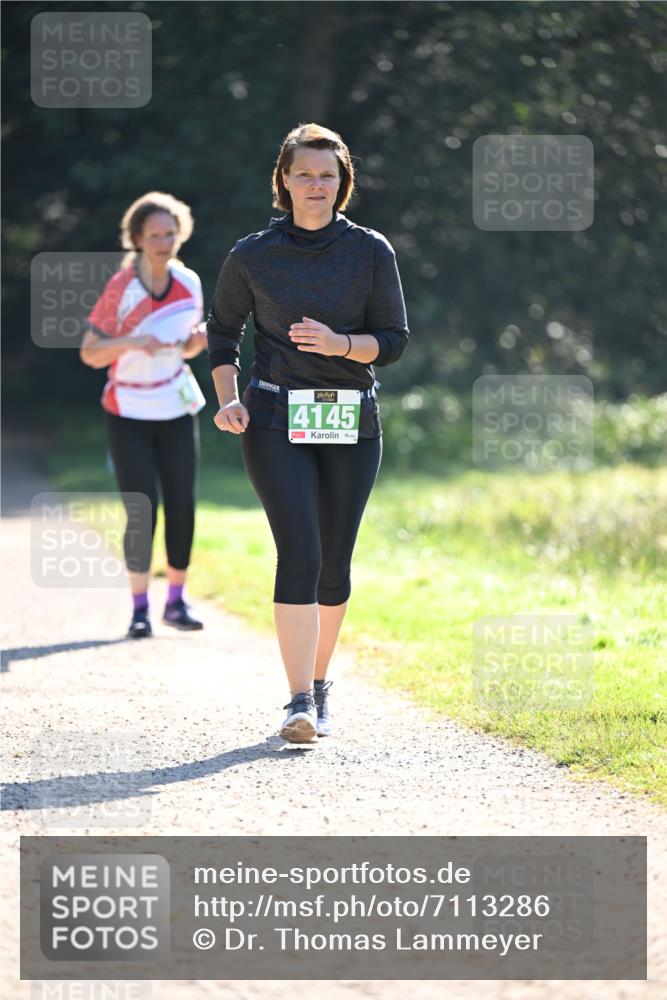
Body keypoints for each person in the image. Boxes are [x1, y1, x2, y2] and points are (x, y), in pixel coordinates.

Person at [207, 123, 409, 743]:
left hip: (351, 416)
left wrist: (340, 344)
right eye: (304, 174)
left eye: (327, 175)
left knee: (333, 563)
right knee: (299, 550)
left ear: (342, 182)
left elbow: (394, 341)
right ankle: (297, 701)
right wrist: (227, 399)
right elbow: (222, 331)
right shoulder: (251, 256)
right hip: (272, 414)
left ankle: (319, 688)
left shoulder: (371, 251)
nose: (316, 185)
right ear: (284, 181)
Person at [80, 191, 208, 638]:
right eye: (154, 234)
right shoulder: (122, 287)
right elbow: (90, 353)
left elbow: (188, 345)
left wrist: (200, 339)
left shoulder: (189, 282)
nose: (163, 241)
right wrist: (134, 341)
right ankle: (139, 609)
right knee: (141, 511)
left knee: (183, 506)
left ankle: (176, 601)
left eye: (170, 232)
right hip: (128, 408)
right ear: (136, 238)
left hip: (174, 405)